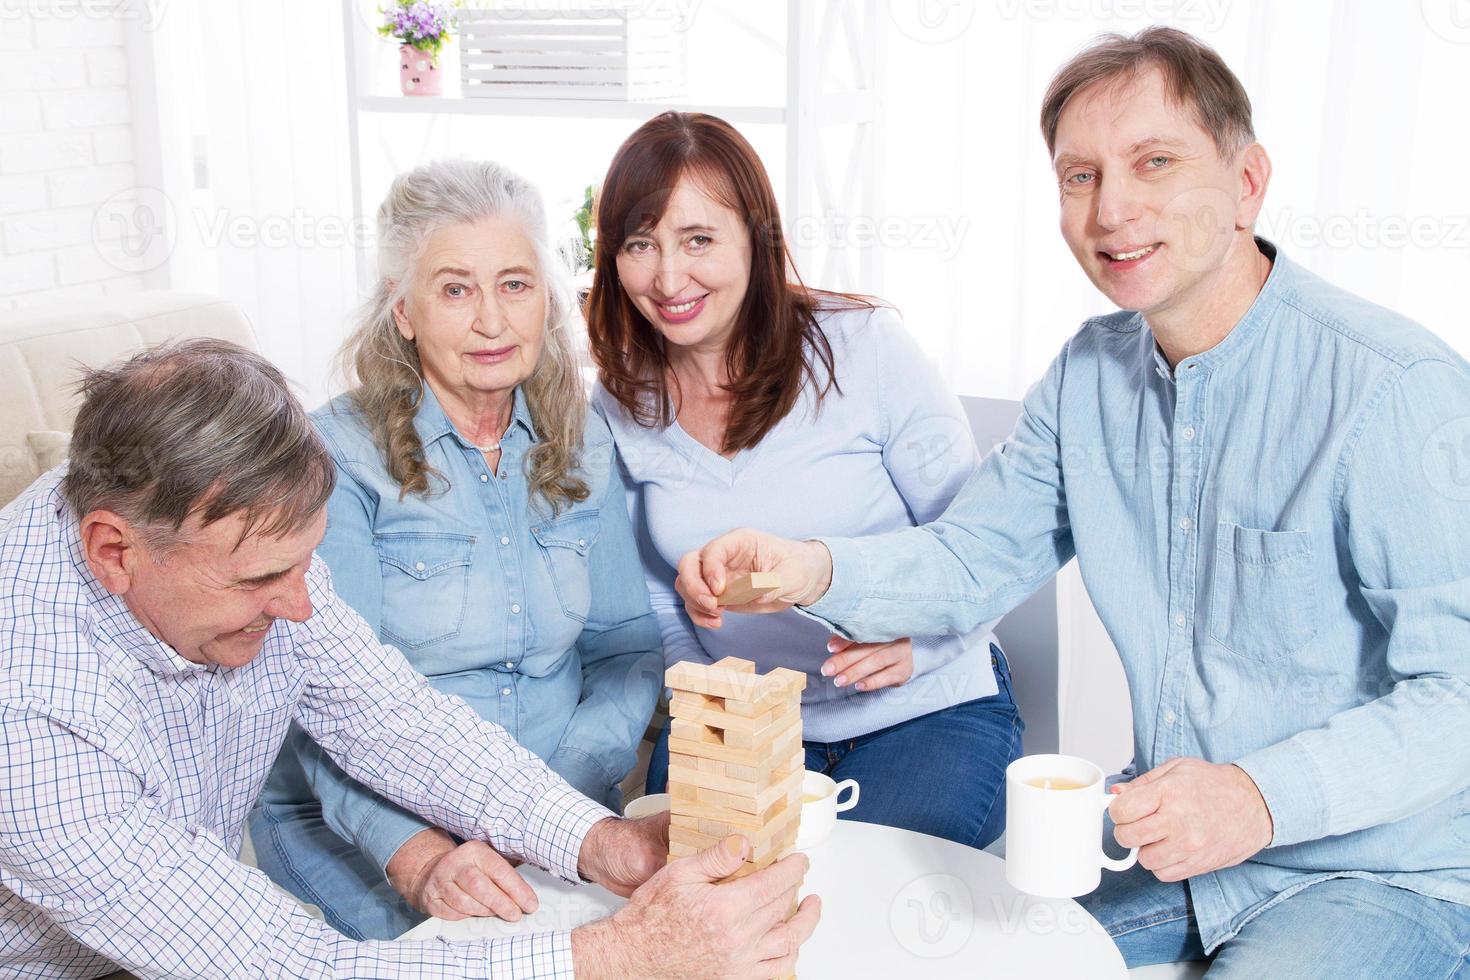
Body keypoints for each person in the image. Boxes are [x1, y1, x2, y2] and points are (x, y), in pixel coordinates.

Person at [673, 26, 1470, 978]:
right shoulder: (1089, 377)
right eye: (1079, 176)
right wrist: (810, 566)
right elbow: (972, 558)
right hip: (1166, 856)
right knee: (919, 957)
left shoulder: (1394, 386)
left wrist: (1257, 796)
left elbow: (1458, 693)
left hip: (1382, 874)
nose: (1113, 209)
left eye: (1155, 162)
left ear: (1249, 181)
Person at [0, 338, 818, 979]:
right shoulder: (29, 716)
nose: (300, 608)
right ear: (112, 552)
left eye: (304, 564)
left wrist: (601, 841)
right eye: (262, 581)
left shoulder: (209, 522)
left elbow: (392, 719)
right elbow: (297, 968)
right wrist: (622, 959)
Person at [250, 159, 663, 941]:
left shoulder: (584, 442)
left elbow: (625, 647)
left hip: (553, 808)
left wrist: (557, 799)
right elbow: (323, 705)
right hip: (374, 827)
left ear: (546, 300)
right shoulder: (334, 457)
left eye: (514, 284)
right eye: (455, 289)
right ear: (402, 311)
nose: (492, 322)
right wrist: (419, 855)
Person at [585, 112, 1022, 849]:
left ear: (756, 237)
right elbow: (659, 593)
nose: (667, 277)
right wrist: (712, 696)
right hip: (742, 724)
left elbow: (984, 544)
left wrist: (928, 651)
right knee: (698, 900)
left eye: (698, 239)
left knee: (853, 902)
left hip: (924, 712)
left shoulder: (864, 350)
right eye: (639, 243)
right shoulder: (621, 400)